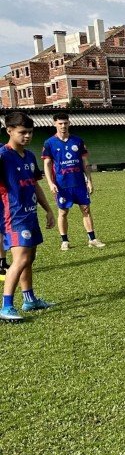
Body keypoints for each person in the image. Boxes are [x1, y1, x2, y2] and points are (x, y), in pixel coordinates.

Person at [0, 112, 56, 322]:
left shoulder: (30, 156)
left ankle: (29, 299)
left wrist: (48, 209)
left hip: (30, 214)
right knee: (21, 258)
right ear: (9, 131)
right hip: (13, 216)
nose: (27, 136)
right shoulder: (3, 156)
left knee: (29, 259)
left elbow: (34, 184)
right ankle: (6, 306)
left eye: (30, 132)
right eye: (22, 132)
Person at [41, 112, 105, 249]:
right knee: (63, 212)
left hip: (79, 183)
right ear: (54, 124)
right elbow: (47, 164)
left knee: (86, 209)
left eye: (65, 123)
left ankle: (92, 239)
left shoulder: (78, 141)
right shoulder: (49, 143)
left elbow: (85, 162)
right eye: (60, 123)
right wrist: (50, 183)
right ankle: (64, 241)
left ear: (69, 123)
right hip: (62, 184)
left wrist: (89, 180)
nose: (63, 126)